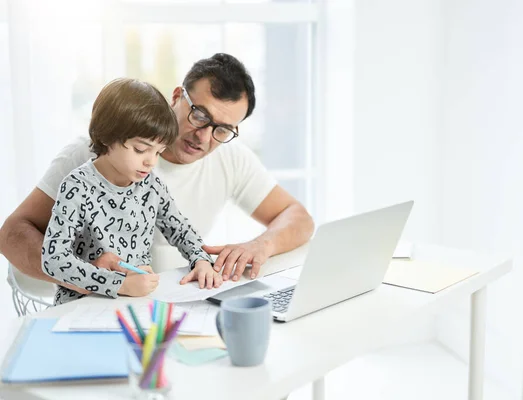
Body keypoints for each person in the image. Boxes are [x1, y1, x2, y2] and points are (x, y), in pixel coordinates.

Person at [0, 53, 314, 296]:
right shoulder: (92, 156)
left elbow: (298, 218)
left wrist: (258, 246)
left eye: (222, 129)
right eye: (200, 115)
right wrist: (99, 280)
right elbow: (12, 234)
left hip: (163, 300)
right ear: (177, 96)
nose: (204, 137)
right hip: (83, 300)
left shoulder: (226, 159)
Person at [43, 78, 221, 305]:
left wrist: (201, 260)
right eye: (141, 149)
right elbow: (53, 259)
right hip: (83, 307)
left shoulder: (151, 186)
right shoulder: (77, 186)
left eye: (158, 152)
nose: (151, 162)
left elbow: (180, 229)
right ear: (107, 136)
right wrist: (119, 284)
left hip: (135, 303)